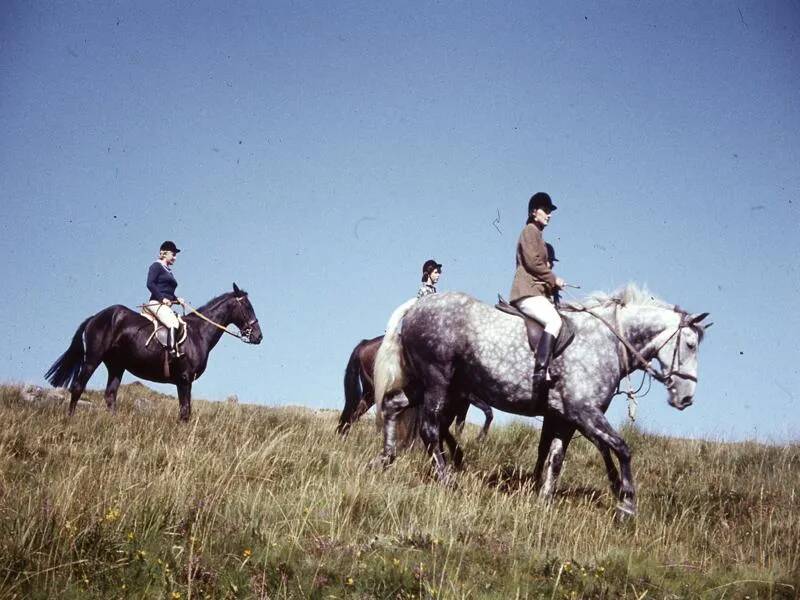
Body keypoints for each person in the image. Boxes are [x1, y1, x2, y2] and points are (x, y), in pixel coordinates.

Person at [509, 193, 565, 395]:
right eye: (546, 210)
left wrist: (553, 286)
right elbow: (533, 263)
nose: (549, 215)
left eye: (550, 212)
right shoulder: (530, 231)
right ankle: (540, 371)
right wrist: (553, 278)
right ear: (534, 212)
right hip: (526, 291)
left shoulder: (538, 235)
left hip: (534, 291)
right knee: (555, 322)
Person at [144, 241, 185, 356]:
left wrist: (177, 299)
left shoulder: (169, 271)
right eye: (173, 254)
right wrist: (162, 299)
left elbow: (168, 292)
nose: (175, 258)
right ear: (165, 253)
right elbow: (150, 284)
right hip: (156, 303)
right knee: (173, 322)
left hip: (165, 304)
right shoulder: (156, 266)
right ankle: (172, 351)